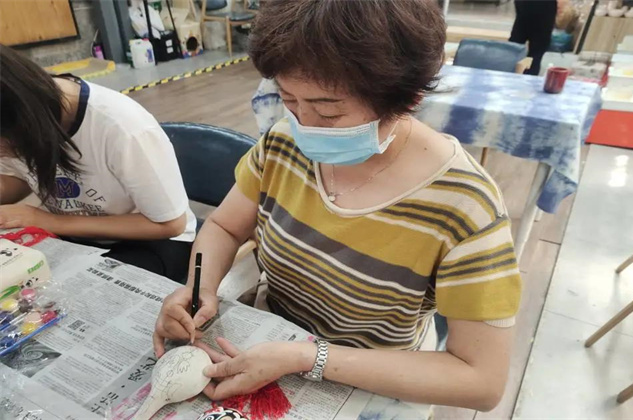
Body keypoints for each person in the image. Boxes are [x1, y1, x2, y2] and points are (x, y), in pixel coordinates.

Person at [154, 0, 521, 411]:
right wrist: (199, 289)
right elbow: (225, 227)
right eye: (289, 100)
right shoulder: (282, 143)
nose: (303, 125)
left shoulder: (465, 205)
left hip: (370, 375)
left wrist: (307, 357)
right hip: (265, 336)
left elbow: (481, 380)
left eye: (328, 113)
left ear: (407, 99)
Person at [0, 45, 196, 282]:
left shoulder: (122, 128)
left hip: (151, 240)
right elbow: (20, 176)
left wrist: (47, 220)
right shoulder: (23, 122)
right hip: (78, 232)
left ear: (23, 120)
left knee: (76, 289)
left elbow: (170, 225)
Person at [509, 0, 558, 75]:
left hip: (530, 7)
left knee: (515, 48)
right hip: (543, 10)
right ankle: (528, 76)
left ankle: (510, 73)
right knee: (535, 53)